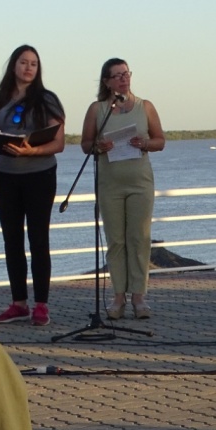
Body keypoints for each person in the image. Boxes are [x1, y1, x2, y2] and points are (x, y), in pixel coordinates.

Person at [0, 45, 66, 327]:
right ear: (14, 66)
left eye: (34, 63)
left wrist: (31, 150)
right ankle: (18, 303)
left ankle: (41, 305)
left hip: (39, 174)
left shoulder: (46, 99)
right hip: (6, 176)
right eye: (24, 62)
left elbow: (59, 142)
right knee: (12, 240)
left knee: (38, 239)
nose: (29, 68)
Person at [81, 58, 165, 320]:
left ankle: (139, 296)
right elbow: (85, 144)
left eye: (126, 74)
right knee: (116, 240)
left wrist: (145, 143)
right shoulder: (98, 109)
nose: (123, 79)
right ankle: (118, 296)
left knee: (139, 238)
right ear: (106, 82)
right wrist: (98, 146)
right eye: (116, 76)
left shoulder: (145, 106)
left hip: (139, 181)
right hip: (110, 183)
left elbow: (160, 140)